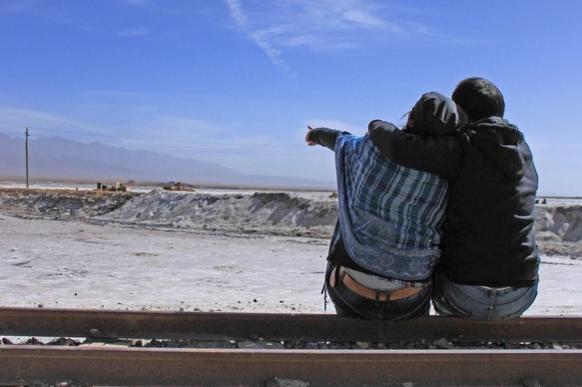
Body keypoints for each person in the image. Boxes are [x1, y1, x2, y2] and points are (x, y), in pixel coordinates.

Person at [368, 78, 539, 319]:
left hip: (463, 294)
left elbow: (400, 146)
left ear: (459, 112)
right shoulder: (523, 151)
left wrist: (375, 124)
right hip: (521, 293)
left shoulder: (461, 146)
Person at [305, 92, 467, 320]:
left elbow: (342, 140)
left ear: (411, 119)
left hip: (351, 290)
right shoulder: (451, 168)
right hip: (410, 298)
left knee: (349, 216)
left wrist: (315, 134)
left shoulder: (372, 147)